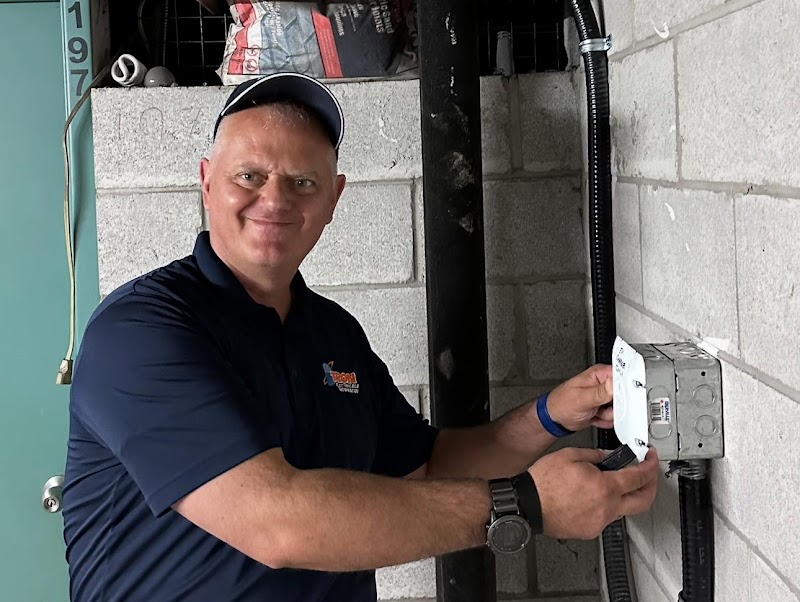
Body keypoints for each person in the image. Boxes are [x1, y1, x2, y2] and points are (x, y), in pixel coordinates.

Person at [62, 72, 659, 601]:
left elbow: (426, 467)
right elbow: (277, 523)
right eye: (249, 175)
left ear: (333, 199)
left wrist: (551, 414)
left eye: (303, 182)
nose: (274, 199)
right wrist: (524, 504)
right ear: (207, 182)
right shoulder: (140, 331)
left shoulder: (334, 335)